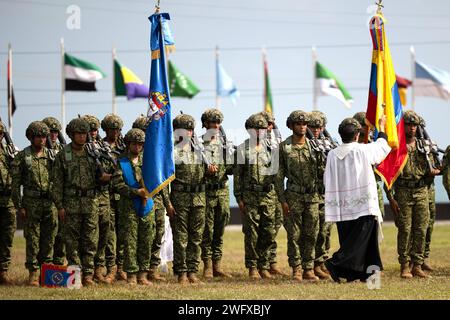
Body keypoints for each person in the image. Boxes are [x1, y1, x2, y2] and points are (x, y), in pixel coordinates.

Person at [324, 116, 391, 283]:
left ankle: (361, 274)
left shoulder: (332, 154)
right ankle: (336, 262)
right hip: (363, 203)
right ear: (356, 136)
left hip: (341, 203)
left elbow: (327, 178)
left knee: (350, 238)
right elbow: (382, 147)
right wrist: (381, 128)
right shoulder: (362, 150)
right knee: (361, 240)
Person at [51, 118, 111, 286]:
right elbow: (57, 183)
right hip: (71, 203)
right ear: (71, 134)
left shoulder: (93, 153)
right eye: (78, 134)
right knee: (71, 242)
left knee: (90, 240)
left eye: (84, 134)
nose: (82, 137)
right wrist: (60, 206)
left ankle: (88, 276)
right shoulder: (63, 154)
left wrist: (105, 178)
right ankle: (74, 277)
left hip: (91, 202)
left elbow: (102, 176)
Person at [388, 110, 439, 279]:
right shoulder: (396, 147)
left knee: (421, 229)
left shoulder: (424, 146)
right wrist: (391, 197)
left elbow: (435, 167)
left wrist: (434, 171)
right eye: (408, 125)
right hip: (402, 191)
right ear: (403, 126)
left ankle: (417, 265)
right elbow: (387, 175)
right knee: (405, 229)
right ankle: (404, 265)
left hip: (421, 191)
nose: (412, 128)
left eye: (414, 125)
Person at [276, 110, 323, 282]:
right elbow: (279, 176)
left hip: (312, 196)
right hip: (294, 196)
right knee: (294, 234)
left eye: (304, 124)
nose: (302, 127)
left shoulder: (315, 146)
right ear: (291, 126)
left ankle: (308, 268)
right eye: (298, 124)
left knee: (311, 233)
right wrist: (282, 200)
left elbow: (323, 173)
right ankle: (296, 268)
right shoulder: (283, 147)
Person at [12, 121, 57, 286]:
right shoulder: (23, 156)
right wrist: (20, 206)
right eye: (38, 136)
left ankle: (47, 272)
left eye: (44, 136)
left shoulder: (52, 156)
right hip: (31, 202)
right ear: (31, 137)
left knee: (49, 239)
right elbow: (15, 184)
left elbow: (58, 180)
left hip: (49, 203)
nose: (42, 139)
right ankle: (33, 273)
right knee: (32, 239)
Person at [169, 114, 212, 284]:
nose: (187, 132)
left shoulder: (201, 151)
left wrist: (210, 172)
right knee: (181, 238)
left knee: (196, 237)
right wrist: (168, 203)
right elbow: (165, 181)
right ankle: (181, 272)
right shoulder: (171, 151)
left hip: (199, 199)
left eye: (190, 129)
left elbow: (208, 176)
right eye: (183, 129)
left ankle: (193, 271)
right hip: (180, 198)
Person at [234, 113, 278, 280]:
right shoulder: (242, 149)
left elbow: (277, 175)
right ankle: (252, 267)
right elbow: (238, 176)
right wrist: (239, 198)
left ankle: (264, 266)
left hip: (269, 196)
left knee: (268, 232)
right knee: (252, 233)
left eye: (262, 129)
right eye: (255, 129)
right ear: (249, 130)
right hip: (250, 197)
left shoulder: (272, 149)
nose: (259, 132)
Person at [132, 115, 171, 282]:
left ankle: (152, 268)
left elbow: (163, 183)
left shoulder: (157, 153)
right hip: (139, 200)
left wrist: (168, 203)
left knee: (157, 235)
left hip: (158, 200)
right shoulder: (133, 155)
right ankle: (135, 270)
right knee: (139, 237)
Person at [113, 128, 154, 286]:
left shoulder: (149, 162)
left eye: (140, 144)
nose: (137, 146)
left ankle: (143, 275)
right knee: (130, 242)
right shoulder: (121, 161)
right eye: (134, 143)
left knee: (146, 240)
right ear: (128, 144)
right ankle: (131, 275)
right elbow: (117, 185)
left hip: (147, 206)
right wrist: (135, 191)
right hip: (129, 207)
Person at [82, 115, 115, 284]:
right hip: (86, 199)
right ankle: (85, 272)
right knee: (89, 236)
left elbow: (112, 167)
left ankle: (98, 270)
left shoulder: (103, 147)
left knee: (104, 234)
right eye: (90, 130)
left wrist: (108, 174)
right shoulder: (79, 148)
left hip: (103, 196)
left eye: (95, 130)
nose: (92, 133)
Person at [200, 108, 233, 279]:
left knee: (219, 230)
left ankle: (217, 265)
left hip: (222, 192)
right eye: (212, 122)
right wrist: (206, 172)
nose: (216, 126)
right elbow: (192, 172)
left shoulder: (225, 145)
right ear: (205, 124)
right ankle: (207, 265)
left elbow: (231, 170)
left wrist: (234, 157)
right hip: (206, 192)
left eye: (218, 122)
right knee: (207, 230)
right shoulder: (198, 146)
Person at [258, 111, 286, 277]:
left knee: (275, 227)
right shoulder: (255, 143)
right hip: (262, 192)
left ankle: (272, 262)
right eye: (267, 123)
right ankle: (261, 264)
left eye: (272, 123)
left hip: (276, 191)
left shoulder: (277, 139)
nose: (270, 126)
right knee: (265, 230)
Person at [101, 113, 126, 281]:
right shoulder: (98, 147)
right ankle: (111, 268)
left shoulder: (124, 148)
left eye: (117, 129)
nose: (115, 132)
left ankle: (122, 267)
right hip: (106, 195)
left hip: (123, 195)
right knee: (109, 234)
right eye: (112, 129)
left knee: (123, 232)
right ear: (106, 129)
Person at [307, 112, 332, 280]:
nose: (316, 130)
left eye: (319, 127)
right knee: (312, 231)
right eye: (313, 127)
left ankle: (320, 262)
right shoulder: (303, 143)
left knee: (325, 231)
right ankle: (310, 265)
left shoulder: (329, 143)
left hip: (326, 194)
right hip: (310, 194)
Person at [42, 116, 66, 266]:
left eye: (56, 132)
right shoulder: (39, 150)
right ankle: (45, 264)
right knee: (48, 234)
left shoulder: (64, 149)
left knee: (62, 234)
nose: (54, 135)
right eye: (51, 132)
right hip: (45, 198)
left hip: (62, 197)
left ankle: (58, 263)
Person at [0, 123, 16, 285]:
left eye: (1, 134)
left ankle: (3, 271)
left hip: (8, 199)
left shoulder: (9, 151)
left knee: (7, 237)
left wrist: (14, 161)